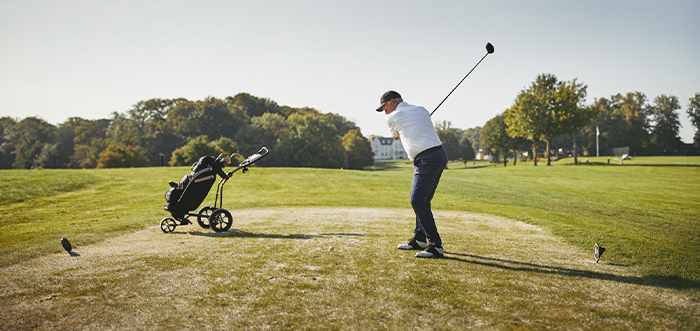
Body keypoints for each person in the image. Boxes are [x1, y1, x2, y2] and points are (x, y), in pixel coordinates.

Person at [376, 90, 447, 258]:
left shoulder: (391, 117)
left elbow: (396, 137)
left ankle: (436, 245)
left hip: (427, 159)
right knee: (423, 200)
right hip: (439, 155)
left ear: (393, 102)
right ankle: (420, 239)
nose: (385, 112)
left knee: (416, 200)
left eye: (385, 107)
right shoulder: (422, 109)